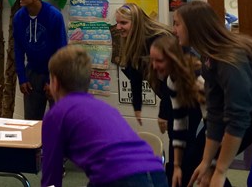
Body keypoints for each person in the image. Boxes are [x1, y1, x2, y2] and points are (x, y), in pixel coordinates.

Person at [173, 0, 252, 187]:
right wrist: (207, 162)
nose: (173, 30)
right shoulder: (210, 60)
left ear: (194, 27)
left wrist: (220, 170)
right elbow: (215, 114)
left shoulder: (230, 57)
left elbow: (238, 117)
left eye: (177, 24)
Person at [42, 45, 168, 187]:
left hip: (120, 177)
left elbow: (51, 176)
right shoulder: (105, 108)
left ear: (55, 82)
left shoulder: (57, 114)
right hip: (156, 172)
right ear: (88, 82)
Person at [149, 35, 206, 187]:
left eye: (159, 61)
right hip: (216, 123)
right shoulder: (171, 80)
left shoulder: (197, 81)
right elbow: (180, 122)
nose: (154, 66)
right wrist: (176, 166)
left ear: (173, 59)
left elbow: (214, 124)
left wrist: (211, 164)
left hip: (243, 120)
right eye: (152, 60)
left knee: (206, 167)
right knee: (188, 167)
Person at [13, 0, 67, 120]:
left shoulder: (54, 16)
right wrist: (22, 78)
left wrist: (53, 80)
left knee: (58, 121)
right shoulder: (19, 17)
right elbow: (18, 49)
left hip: (54, 72)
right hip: (32, 74)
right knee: (31, 121)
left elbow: (62, 50)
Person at [115, 3, 173, 125]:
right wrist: (137, 107)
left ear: (137, 24)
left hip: (183, 96)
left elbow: (171, 80)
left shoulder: (158, 39)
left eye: (123, 23)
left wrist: (164, 113)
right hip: (168, 96)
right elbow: (135, 73)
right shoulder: (133, 42)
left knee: (182, 140)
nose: (118, 27)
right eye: (117, 23)